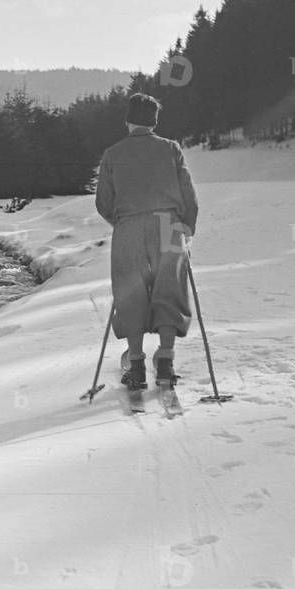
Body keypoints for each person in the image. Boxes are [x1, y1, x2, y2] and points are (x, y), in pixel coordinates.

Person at [95, 93, 199, 390]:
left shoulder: (112, 154)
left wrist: (125, 223)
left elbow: (104, 202)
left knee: (131, 292)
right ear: (154, 121)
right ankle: (165, 361)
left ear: (128, 119)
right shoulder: (171, 149)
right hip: (169, 224)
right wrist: (187, 226)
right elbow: (188, 193)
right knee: (171, 288)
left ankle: (137, 365)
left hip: (129, 226)